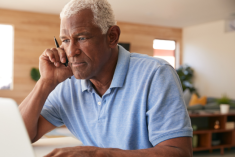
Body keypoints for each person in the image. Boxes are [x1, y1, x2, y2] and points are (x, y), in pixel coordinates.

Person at [19, 0, 193, 156]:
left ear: (112, 37)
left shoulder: (155, 74)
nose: (71, 52)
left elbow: (179, 152)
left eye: (81, 37)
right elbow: (20, 134)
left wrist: (97, 154)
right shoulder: (67, 84)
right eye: (65, 40)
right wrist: (45, 82)